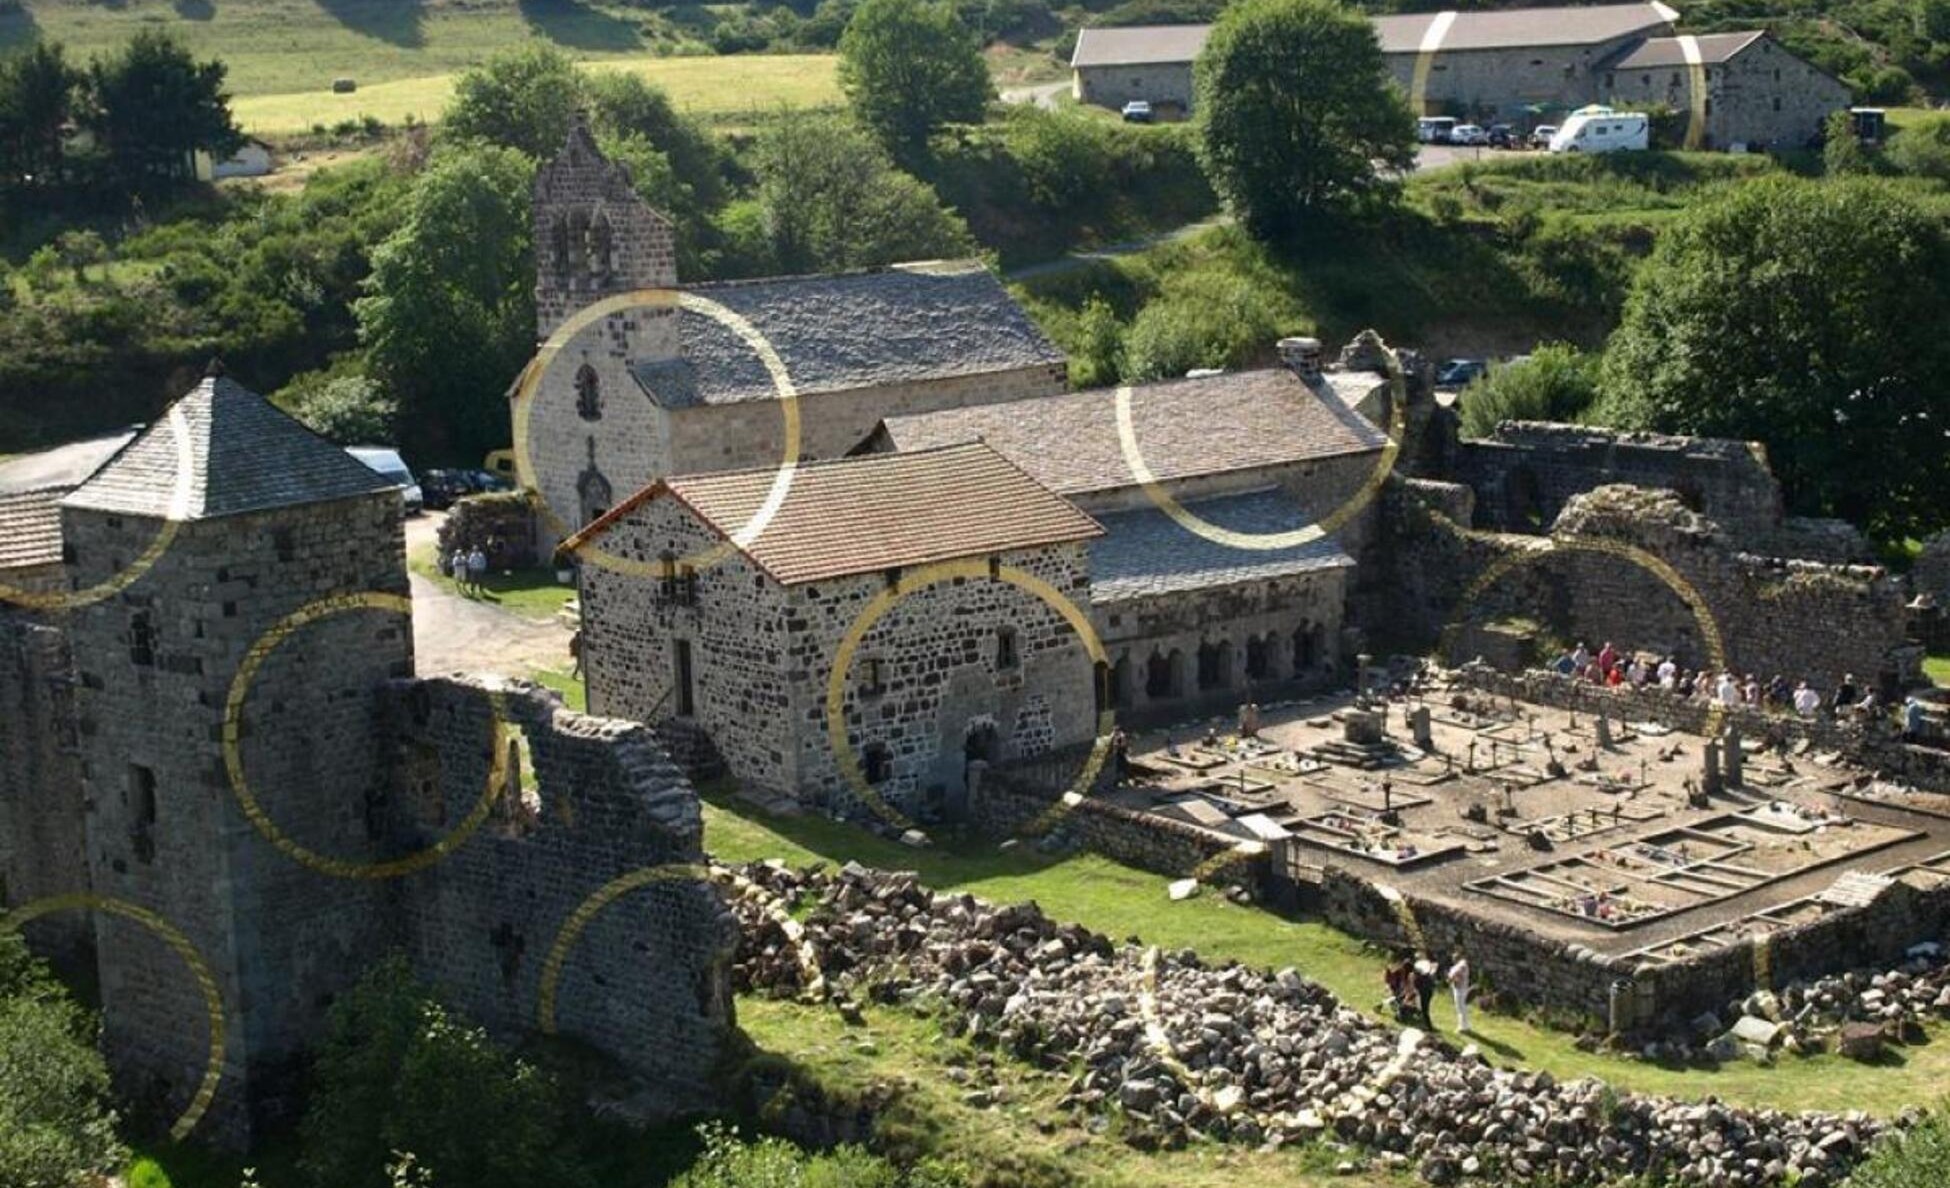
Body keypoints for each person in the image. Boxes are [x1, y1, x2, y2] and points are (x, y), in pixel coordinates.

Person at [1447, 952, 1472, 1032]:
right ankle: (1466, 1025)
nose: (1453, 960)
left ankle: (1462, 1026)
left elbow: (1457, 976)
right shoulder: (1462, 966)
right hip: (1461, 988)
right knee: (1462, 1008)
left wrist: (1451, 979)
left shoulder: (1461, 966)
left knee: (1460, 1008)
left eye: (1454, 959)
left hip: (1460, 989)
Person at [1412, 955, 1438, 1027]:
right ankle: (1425, 1024)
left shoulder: (1421, 974)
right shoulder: (1428, 975)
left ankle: (1428, 1025)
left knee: (1424, 1009)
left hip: (1424, 992)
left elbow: (1416, 982)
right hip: (1428, 991)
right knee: (1424, 1009)